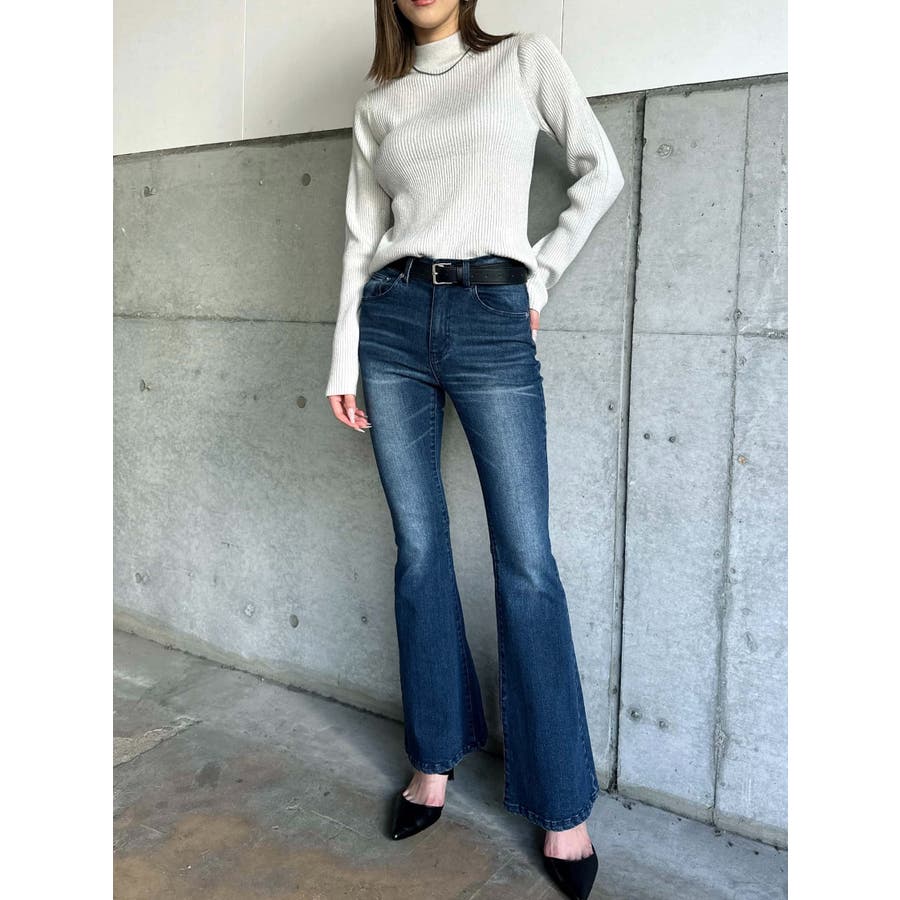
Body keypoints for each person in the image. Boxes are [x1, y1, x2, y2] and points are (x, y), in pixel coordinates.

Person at [326, 2, 624, 897]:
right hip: (391, 325)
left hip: (493, 318)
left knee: (526, 559)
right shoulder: (379, 100)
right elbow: (360, 236)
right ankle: (433, 759)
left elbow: (600, 169)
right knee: (419, 551)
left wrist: (540, 273)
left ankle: (561, 803)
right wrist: (343, 358)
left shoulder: (524, 60)